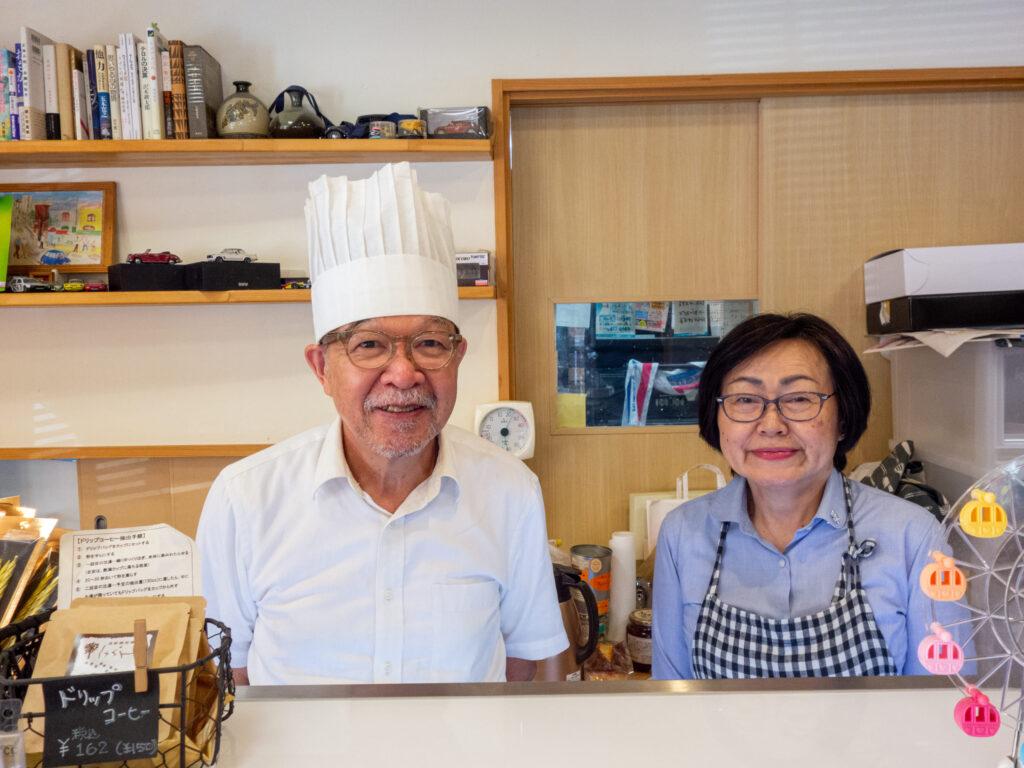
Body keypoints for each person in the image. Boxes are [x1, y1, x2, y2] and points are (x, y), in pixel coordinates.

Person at [198, 163, 567, 685]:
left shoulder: (511, 491)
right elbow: (227, 675)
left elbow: (524, 661)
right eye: (369, 345)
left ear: (458, 357)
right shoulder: (245, 499)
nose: (403, 373)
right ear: (322, 368)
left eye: (430, 343)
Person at [652, 312, 956, 679]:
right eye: (745, 399)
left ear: (843, 417)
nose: (771, 425)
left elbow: (943, 704)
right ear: (716, 416)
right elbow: (671, 702)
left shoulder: (914, 536)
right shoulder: (682, 534)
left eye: (798, 399)